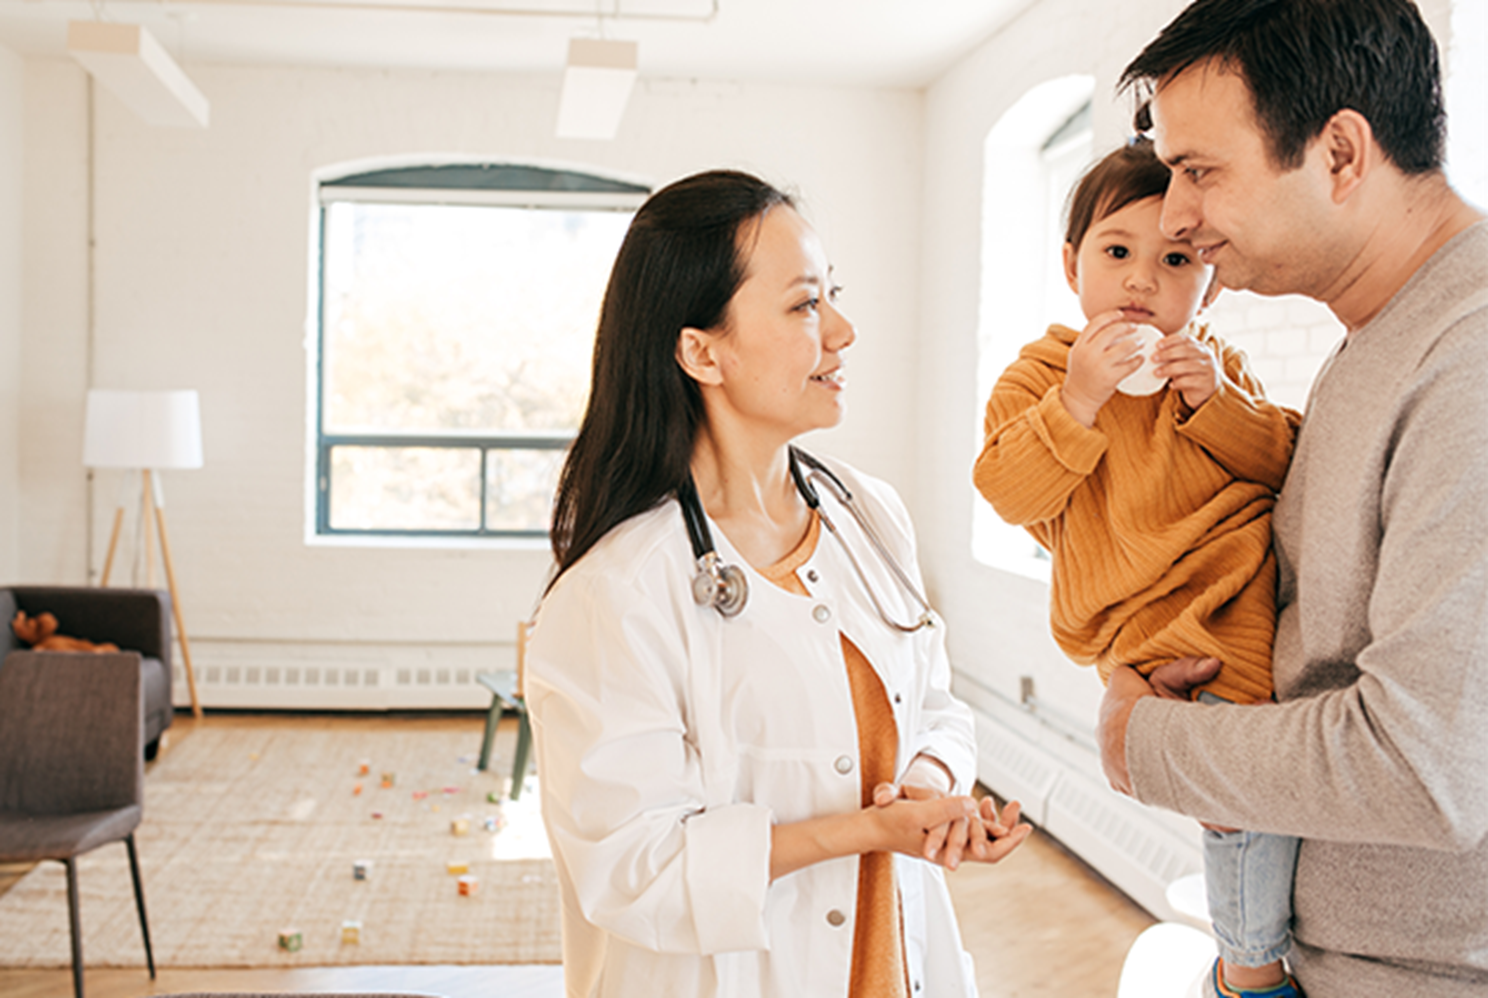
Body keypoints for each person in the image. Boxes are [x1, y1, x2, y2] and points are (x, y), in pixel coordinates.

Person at [526, 169, 1031, 998]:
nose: (844, 329)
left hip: (897, 966)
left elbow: (934, 705)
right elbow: (632, 865)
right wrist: (865, 829)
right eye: (804, 306)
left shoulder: (870, 515)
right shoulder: (616, 591)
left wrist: (932, 793)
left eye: (832, 296)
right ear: (701, 351)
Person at [1095, 1, 1488, 995]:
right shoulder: (1381, 340)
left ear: (1342, 153)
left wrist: (1147, 743)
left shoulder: (1469, 359)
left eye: (1200, 170)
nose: (1175, 214)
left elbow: (1426, 767)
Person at [973, 137, 1303, 998]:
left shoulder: (1215, 364)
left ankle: (1247, 961)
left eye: (1176, 260)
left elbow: (1286, 464)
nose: (1141, 281)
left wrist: (1217, 404)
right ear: (1071, 263)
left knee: (1246, 799)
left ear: (1211, 281)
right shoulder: (1042, 373)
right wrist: (1077, 399)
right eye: (1117, 253)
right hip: (1133, 625)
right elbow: (1007, 489)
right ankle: (1252, 967)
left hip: (1235, 606)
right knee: (1234, 800)